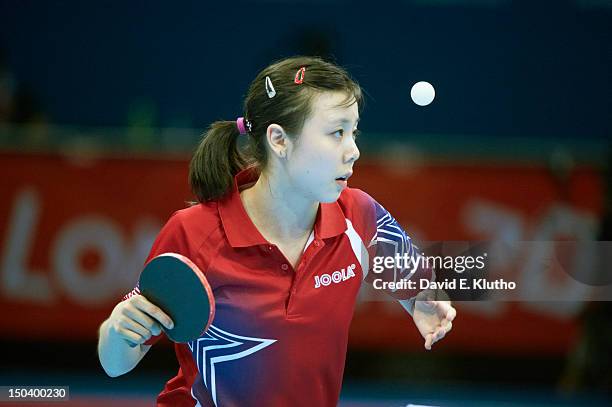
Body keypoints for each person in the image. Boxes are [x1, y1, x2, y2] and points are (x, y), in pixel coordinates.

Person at [97, 56, 456, 406]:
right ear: (279, 139)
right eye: (336, 133)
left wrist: (423, 300)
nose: (353, 151)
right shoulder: (195, 233)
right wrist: (116, 330)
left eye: (353, 132)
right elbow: (115, 363)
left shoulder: (357, 214)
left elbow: (424, 280)